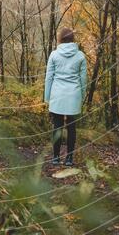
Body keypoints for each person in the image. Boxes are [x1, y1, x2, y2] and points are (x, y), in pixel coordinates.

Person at [44, 26, 87, 166]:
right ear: (72, 38)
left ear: (60, 39)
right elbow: (83, 79)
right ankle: (69, 159)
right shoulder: (80, 55)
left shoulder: (54, 55)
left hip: (57, 94)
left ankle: (56, 157)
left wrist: (47, 97)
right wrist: (82, 95)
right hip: (73, 95)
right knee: (71, 128)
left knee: (57, 126)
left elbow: (49, 78)